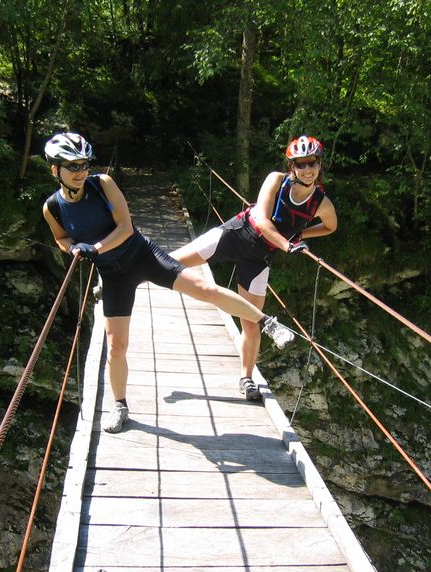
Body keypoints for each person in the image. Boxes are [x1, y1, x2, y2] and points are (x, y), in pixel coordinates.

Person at [42, 132, 294, 433]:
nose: (81, 171)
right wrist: (72, 248)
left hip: (143, 255)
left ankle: (267, 322)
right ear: (55, 170)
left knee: (205, 290)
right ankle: (120, 405)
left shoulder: (102, 185)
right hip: (113, 274)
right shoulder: (53, 207)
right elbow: (61, 237)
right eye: (72, 166)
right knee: (116, 346)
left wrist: (93, 248)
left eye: (84, 164)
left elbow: (125, 228)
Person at [171, 135, 338, 402]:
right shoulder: (276, 180)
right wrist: (288, 244)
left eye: (313, 163)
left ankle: (246, 379)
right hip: (237, 234)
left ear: (320, 164)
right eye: (301, 164)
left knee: (251, 321)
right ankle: (121, 277)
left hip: (260, 257)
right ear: (291, 166)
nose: (308, 169)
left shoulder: (321, 203)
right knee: (172, 261)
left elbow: (330, 227)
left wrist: (301, 234)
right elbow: (261, 220)